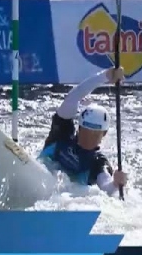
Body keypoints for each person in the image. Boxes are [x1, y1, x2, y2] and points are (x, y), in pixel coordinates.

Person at [38, 66, 128, 195]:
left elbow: (106, 186)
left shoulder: (98, 162)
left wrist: (115, 184)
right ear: (79, 127)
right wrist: (106, 75)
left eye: (94, 134)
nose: (88, 138)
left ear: (104, 134)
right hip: (41, 175)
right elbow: (75, 96)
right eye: (85, 131)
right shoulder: (62, 133)